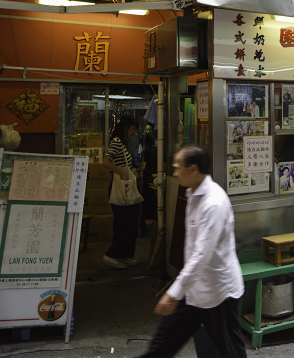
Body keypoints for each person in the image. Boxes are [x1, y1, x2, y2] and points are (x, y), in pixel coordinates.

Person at [138, 145, 247, 358]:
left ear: (193, 169)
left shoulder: (213, 202)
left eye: (179, 167)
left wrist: (174, 292)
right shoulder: (192, 192)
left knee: (229, 349)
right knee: (164, 341)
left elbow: (202, 255)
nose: (175, 172)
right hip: (194, 288)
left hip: (218, 291)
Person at [102, 115, 140, 269]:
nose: (133, 132)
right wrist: (121, 172)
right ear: (125, 127)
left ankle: (124, 255)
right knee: (123, 223)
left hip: (125, 187)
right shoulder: (117, 142)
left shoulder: (122, 143)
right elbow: (106, 161)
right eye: (132, 129)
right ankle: (113, 255)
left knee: (129, 223)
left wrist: (131, 170)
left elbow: (120, 162)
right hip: (119, 188)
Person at [138, 134, 158, 238]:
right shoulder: (156, 150)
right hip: (155, 178)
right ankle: (154, 225)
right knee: (154, 202)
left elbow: (143, 166)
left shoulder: (146, 152)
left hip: (147, 179)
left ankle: (146, 228)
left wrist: (137, 170)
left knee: (146, 203)